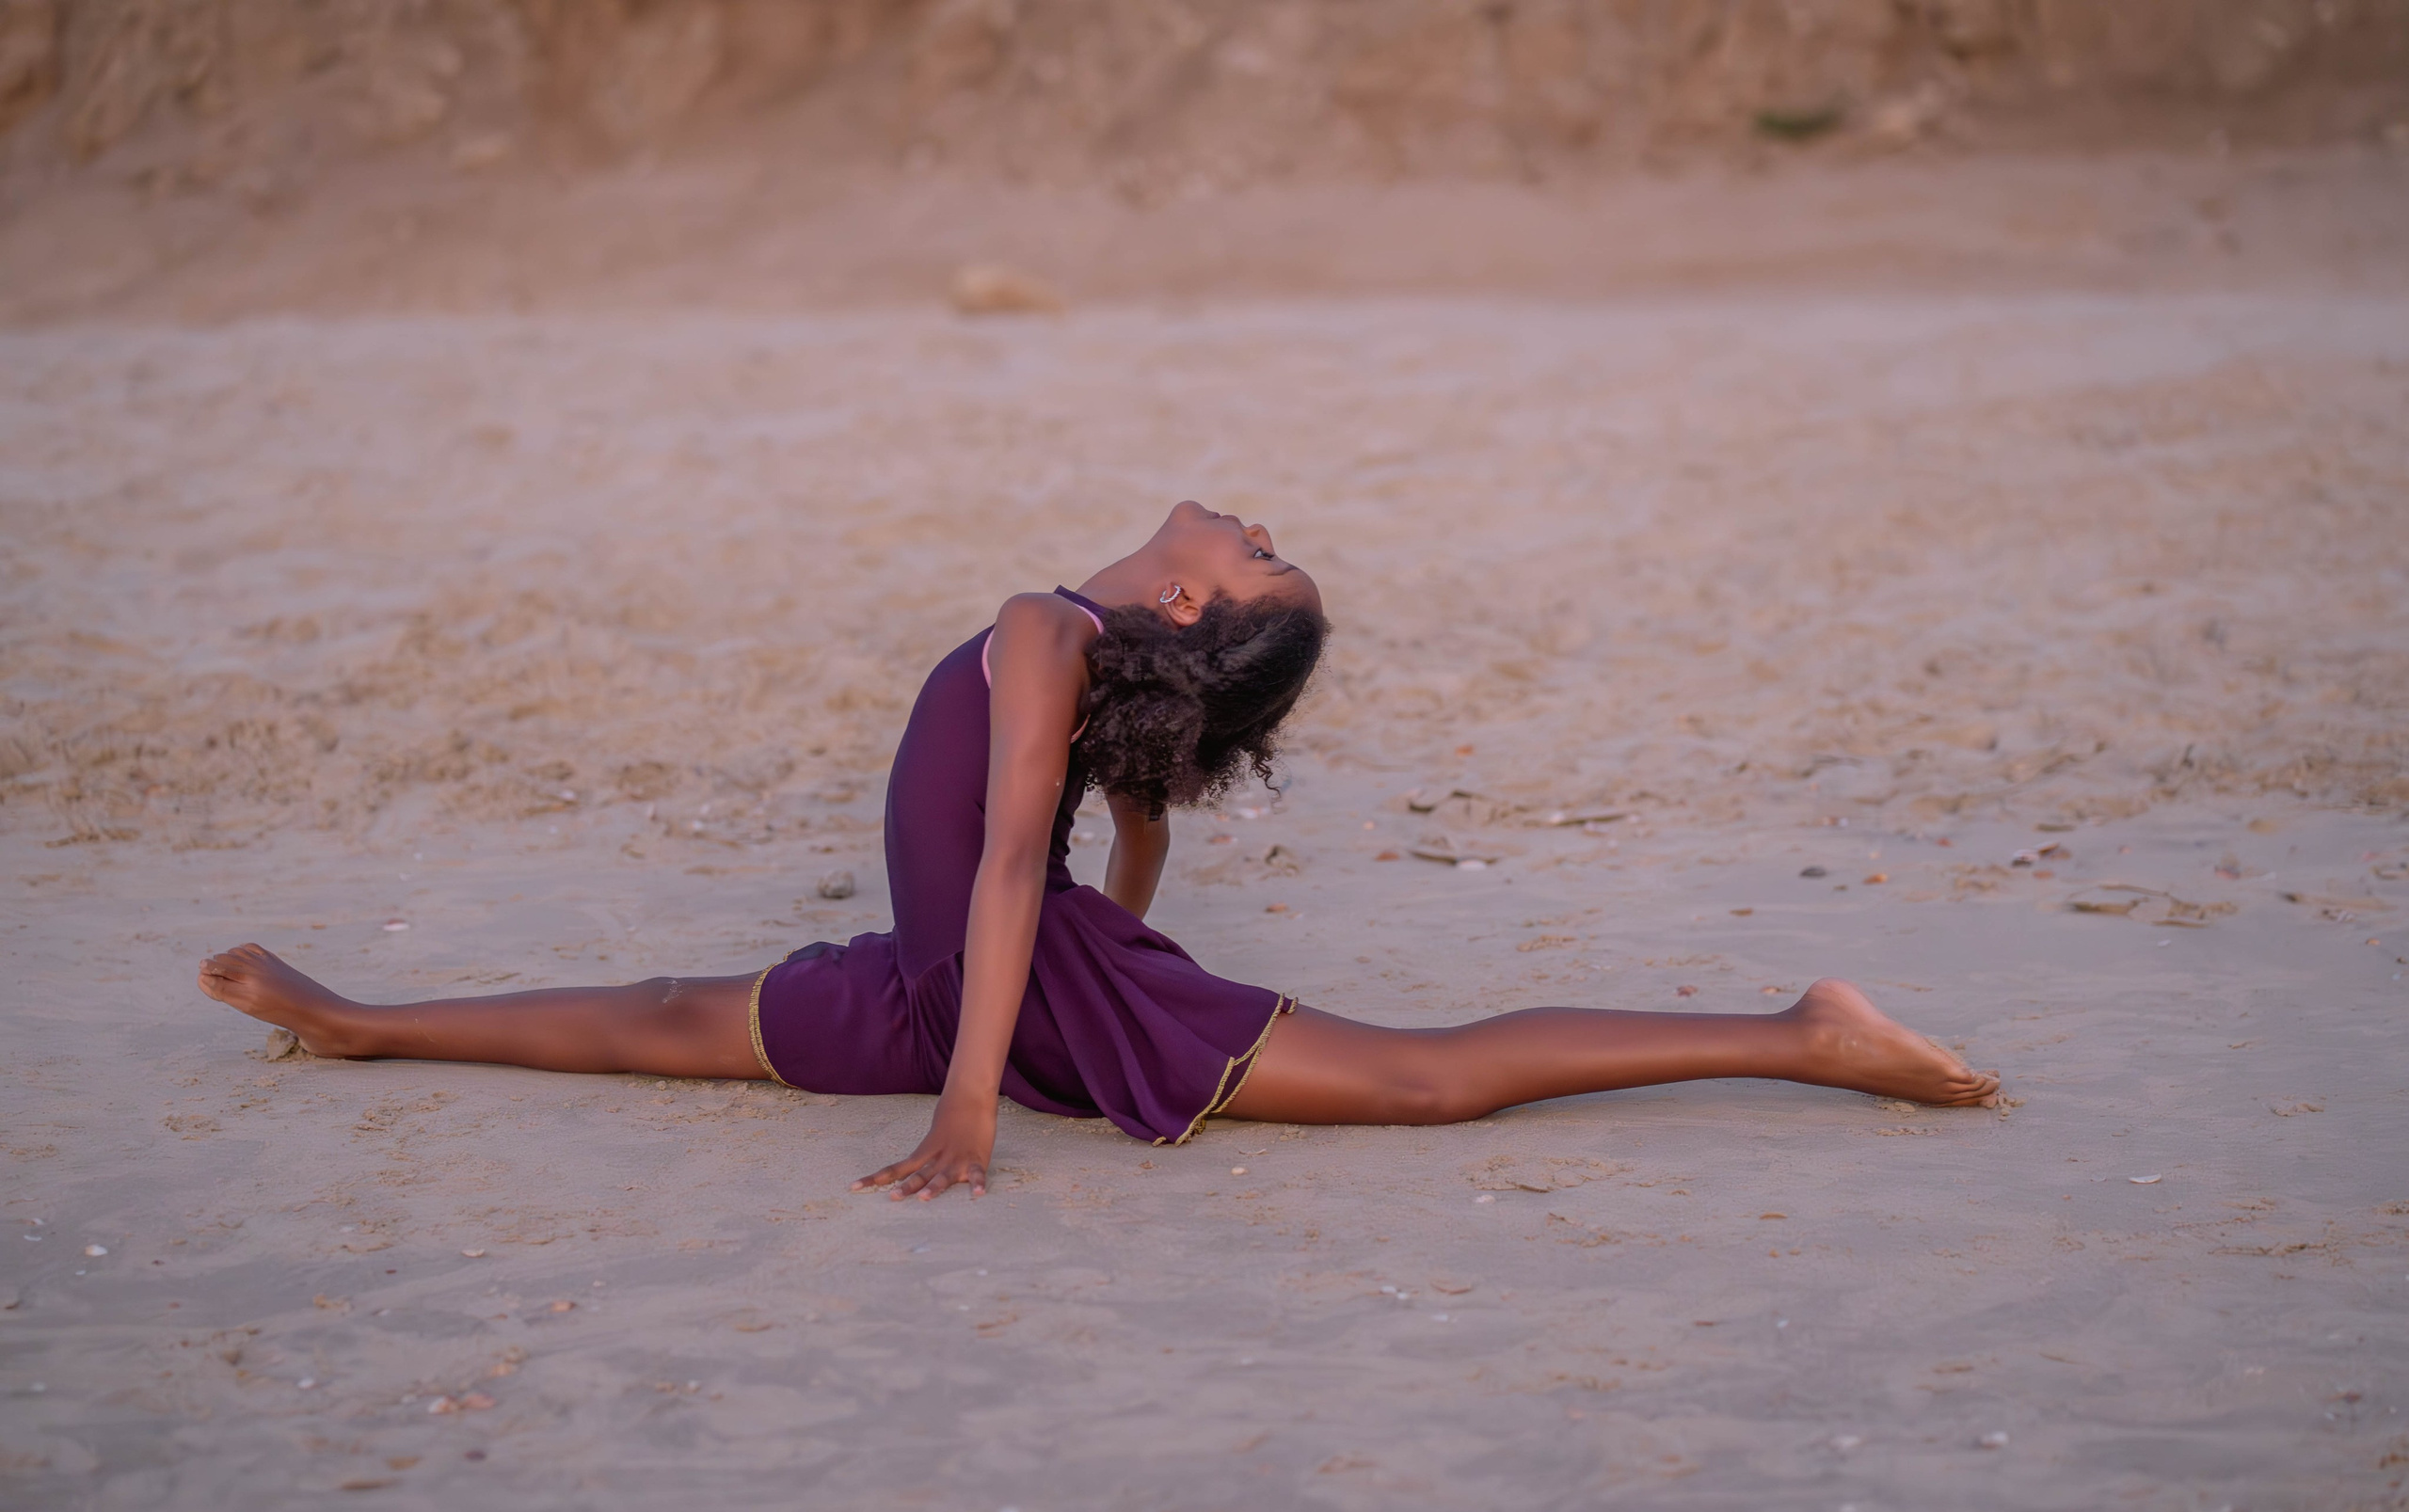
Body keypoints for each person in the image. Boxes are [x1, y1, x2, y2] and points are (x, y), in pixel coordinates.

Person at [199, 501, 1998, 1202]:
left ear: (1191, 597)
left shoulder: (1043, 627)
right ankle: (366, 1023)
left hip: (998, 991)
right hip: (952, 984)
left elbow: (1012, 871)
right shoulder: (1091, 667)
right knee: (670, 1014)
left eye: (1261, 551)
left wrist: (982, 1101)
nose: (1255, 515)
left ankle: (1800, 1034)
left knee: (1424, 1083)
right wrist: (1104, 953)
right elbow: (1106, 843)